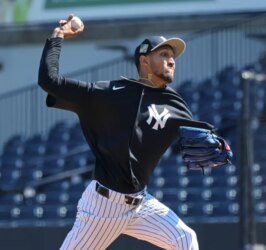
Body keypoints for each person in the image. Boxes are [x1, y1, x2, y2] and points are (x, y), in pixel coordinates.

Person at [38, 14, 230, 250]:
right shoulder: (109, 93)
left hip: (141, 204)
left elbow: (196, 134)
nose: (172, 61)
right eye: (164, 54)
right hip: (104, 206)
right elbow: (49, 80)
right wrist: (58, 37)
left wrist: (218, 145)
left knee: (185, 238)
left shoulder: (175, 103)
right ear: (144, 60)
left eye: (173, 56)